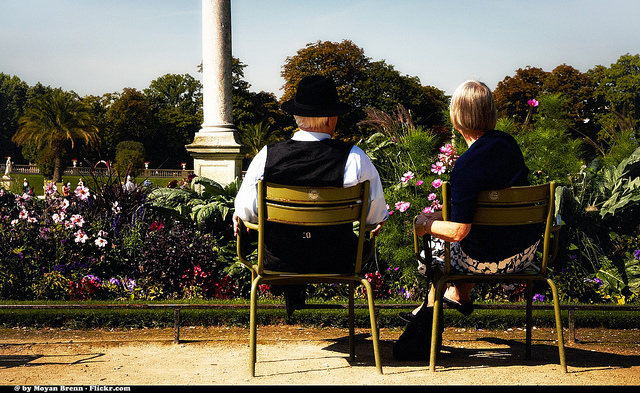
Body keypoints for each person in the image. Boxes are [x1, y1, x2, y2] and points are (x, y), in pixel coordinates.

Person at [393, 80, 541, 360]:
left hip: (490, 261)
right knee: (458, 239)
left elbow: (459, 231)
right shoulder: (508, 145)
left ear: (457, 117)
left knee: (431, 249)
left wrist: (424, 223)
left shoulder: (465, 165)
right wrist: (439, 216)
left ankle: (435, 308)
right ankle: (454, 296)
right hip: (525, 252)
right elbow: (483, 210)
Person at [233, 75, 388, 316]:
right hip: (338, 261)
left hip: (279, 262)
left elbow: (245, 212)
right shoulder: (356, 159)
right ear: (331, 119)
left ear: (297, 117)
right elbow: (375, 217)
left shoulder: (266, 157)